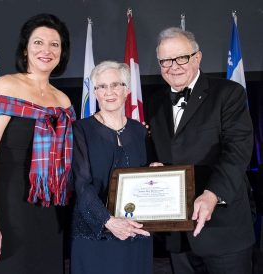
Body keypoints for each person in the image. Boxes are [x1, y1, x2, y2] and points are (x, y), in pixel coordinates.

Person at [145, 27, 255, 274]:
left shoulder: (228, 93)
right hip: (177, 234)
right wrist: (154, 167)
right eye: (165, 61)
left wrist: (213, 194)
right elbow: (160, 152)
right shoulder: (154, 103)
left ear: (197, 57)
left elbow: (237, 151)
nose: (173, 66)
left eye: (181, 58)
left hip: (224, 231)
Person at [0, 13, 75, 273]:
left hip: (49, 209)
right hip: (7, 206)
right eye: (38, 42)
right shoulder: (5, 86)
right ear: (25, 49)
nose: (47, 50)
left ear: (62, 53)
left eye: (55, 44)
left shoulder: (63, 101)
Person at [70, 61, 153, 274]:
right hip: (95, 232)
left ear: (127, 89)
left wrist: (156, 170)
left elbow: (146, 177)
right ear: (95, 92)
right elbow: (81, 185)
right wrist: (108, 221)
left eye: (116, 85)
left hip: (136, 232)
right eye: (102, 86)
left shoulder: (140, 131)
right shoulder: (80, 129)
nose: (109, 92)